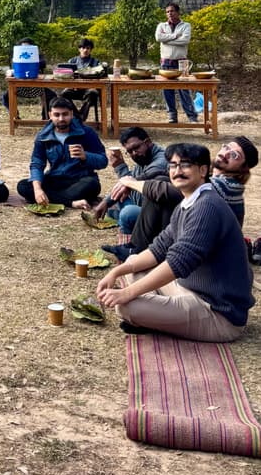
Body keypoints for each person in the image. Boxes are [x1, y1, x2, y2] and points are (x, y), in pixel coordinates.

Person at [96, 143, 255, 341]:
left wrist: (127, 293)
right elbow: (158, 248)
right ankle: (161, 313)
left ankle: (156, 315)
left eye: (185, 165)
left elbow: (179, 262)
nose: (177, 171)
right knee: (135, 266)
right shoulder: (188, 202)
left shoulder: (208, 206)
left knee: (126, 306)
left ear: (203, 170)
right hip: (188, 289)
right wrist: (116, 271)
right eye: (172, 165)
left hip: (217, 312)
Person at [104, 135, 259, 261]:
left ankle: (137, 250)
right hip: (192, 231)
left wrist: (130, 182)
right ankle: (136, 248)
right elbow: (162, 175)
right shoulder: (210, 174)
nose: (224, 154)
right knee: (154, 191)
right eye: (226, 147)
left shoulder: (228, 186)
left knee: (140, 206)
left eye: (234, 155)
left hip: (209, 249)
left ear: (243, 167)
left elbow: (170, 191)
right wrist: (129, 181)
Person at [16, 96, 108, 207]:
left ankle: (53, 199)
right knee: (23, 186)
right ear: (50, 115)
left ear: (71, 114)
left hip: (80, 180)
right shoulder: (43, 136)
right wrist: (37, 189)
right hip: (54, 179)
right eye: (56, 115)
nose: (61, 119)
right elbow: (37, 164)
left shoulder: (86, 132)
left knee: (92, 185)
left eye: (65, 114)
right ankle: (71, 202)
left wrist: (85, 156)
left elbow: (103, 161)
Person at [76, 126, 167, 225]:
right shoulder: (143, 159)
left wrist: (121, 168)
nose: (134, 153)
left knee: (128, 213)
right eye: (130, 151)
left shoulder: (162, 160)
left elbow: (136, 186)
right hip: (141, 205)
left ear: (148, 142)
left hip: (160, 212)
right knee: (115, 203)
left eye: (136, 147)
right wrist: (107, 201)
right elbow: (130, 183)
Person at [156, 3, 197, 123]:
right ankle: (172, 116)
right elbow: (158, 38)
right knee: (167, 90)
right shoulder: (161, 25)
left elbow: (185, 40)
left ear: (178, 12)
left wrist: (167, 40)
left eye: (172, 11)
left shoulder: (186, 26)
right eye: (167, 11)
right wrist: (175, 36)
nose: (170, 13)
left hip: (181, 62)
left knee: (184, 90)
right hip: (166, 63)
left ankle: (192, 116)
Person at [45, 37, 104, 121]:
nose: (85, 50)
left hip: (89, 89)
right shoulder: (72, 61)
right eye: (83, 48)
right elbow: (65, 75)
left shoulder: (96, 62)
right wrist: (72, 85)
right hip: (74, 88)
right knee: (64, 95)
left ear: (91, 50)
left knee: (93, 93)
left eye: (88, 48)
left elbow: (100, 76)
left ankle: (82, 116)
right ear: (79, 49)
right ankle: (77, 115)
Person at [2, 39, 48, 119]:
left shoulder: (38, 56)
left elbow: (43, 63)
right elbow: (14, 70)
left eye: (28, 47)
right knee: (6, 97)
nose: (26, 49)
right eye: (23, 47)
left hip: (37, 87)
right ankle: (15, 116)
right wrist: (12, 71)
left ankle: (45, 117)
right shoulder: (17, 57)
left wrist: (31, 62)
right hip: (20, 87)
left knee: (51, 96)